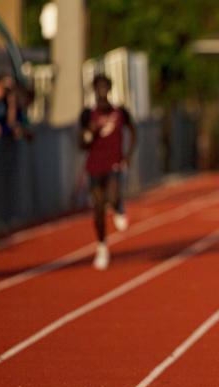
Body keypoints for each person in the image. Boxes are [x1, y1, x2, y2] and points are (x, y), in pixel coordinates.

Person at [79, 74, 137, 270]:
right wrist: (90, 132)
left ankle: (119, 206)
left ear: (110, 89)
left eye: (105, 87)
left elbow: (133, 131)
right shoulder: (88, 114)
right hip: (95, 166)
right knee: (98, 209)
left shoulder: (120, 112)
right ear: (94, 90)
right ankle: (102, 246)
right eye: (98, 88)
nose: (102, 91)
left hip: (114, 163)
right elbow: (81, 142)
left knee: (111, 197)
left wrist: (128, 154)